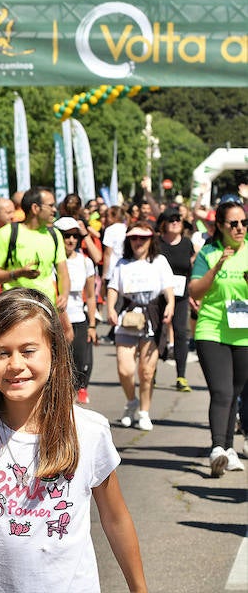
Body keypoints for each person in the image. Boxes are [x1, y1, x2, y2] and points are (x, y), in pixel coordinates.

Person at [0, 288, 147, 592]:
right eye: (1, 352)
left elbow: (115, 518)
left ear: (54, 352)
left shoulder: (88, 431)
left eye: (28, 351)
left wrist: (139, 588)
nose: (15, 364)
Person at [189, 200, 248, 476]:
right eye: (233, 224)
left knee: (235, 393)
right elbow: (196, 291)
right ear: (220, 226)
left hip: (244, 333)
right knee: (222, 392)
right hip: (212, 329)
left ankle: (229, 449)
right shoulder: (210, 252)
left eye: (244, 223)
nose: (239, 228)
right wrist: (218, 266)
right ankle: (217, 448)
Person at [106, 221, 175, 431]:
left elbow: (168, 287)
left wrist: (170, 304)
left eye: (143, 238)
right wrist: (110, 308)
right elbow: (112, 287)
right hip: (128, 316)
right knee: (125, 369)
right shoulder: (121, 263)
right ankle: (131, 401)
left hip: (152, 316)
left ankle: (144, 411)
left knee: (147, 371)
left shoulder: (160, 261)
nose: (138, 242)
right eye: (134, 238)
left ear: (150, 240)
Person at [0, 187, 70, 313]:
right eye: (51, 206)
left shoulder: (55, 234)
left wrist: (64, 295)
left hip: (47, 310)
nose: (54, 210)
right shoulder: (7, 233)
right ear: (35, 208)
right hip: (15, 311)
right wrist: (18, 273)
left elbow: (63, 272)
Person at [55, 217, 98, 404]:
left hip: (79, 318)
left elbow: (90, 295)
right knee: (58, 365)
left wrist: (93, 325)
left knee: (79, 362)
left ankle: (75, 396)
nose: (71, 240)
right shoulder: (52, 261)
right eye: (66, 236)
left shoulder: (85, 262)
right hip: (56, 319)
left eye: (74, 236)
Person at [156, 206, 196, 392]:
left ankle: (181, 376)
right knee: (156, 331)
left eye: (178, 219)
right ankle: (151, 372)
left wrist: (194, 292)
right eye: (171, 220)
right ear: (163, 224)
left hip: (180, 295)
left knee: (181, 333)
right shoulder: (157, 244)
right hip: (159, 294)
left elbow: (193, 268)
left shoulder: (187, 244)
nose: (175, 223)